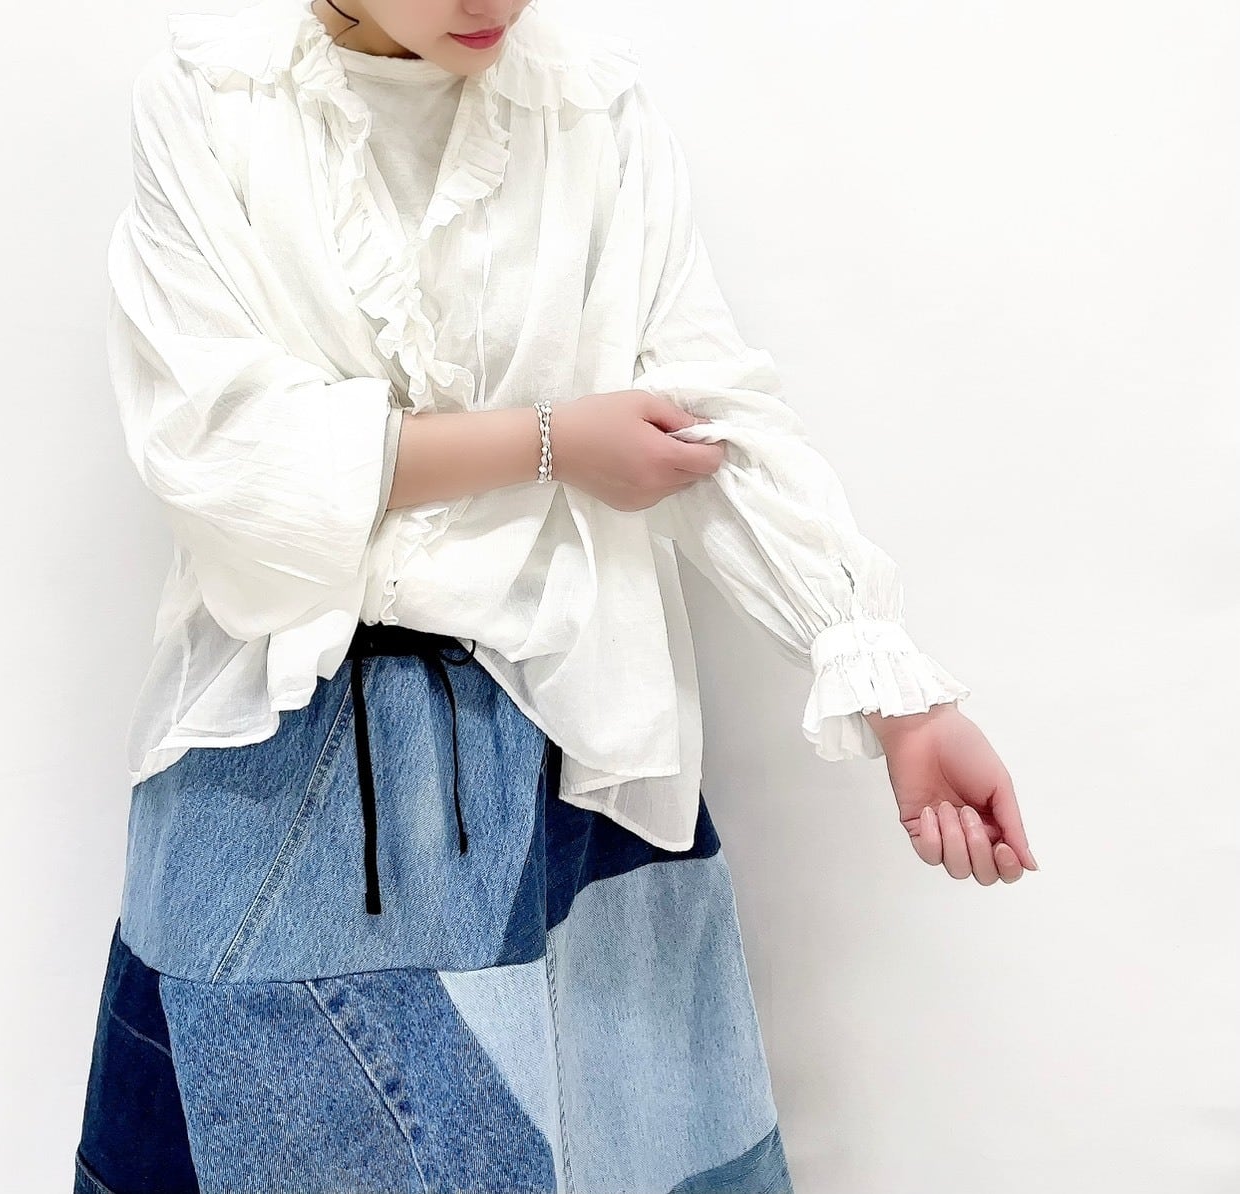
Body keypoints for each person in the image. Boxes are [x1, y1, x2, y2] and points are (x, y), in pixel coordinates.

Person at [74, 0, 1039, 1190]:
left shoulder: (588, 111)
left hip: (559, 756)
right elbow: (220, 453)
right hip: (283, 768)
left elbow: (711, 419)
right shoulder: (215, 104)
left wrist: (897, 693)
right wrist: (552, 442)